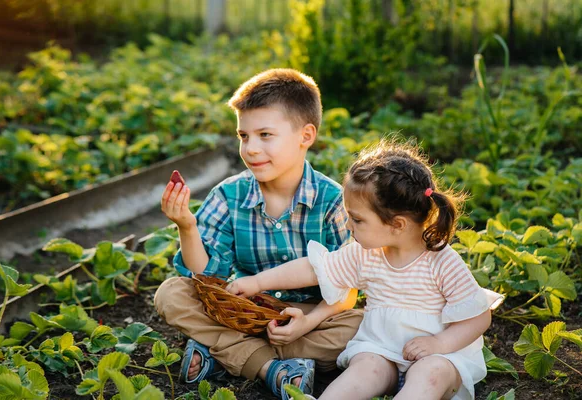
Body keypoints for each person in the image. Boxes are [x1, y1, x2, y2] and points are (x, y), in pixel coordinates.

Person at [226, 138, 504, 400]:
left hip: (439, 355)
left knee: (429, 375)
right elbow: (314, 269)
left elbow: (477, 319)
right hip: (381, 348)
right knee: (364, 369)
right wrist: (258, 282)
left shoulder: (442, 261)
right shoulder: (365, 253)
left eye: (357, 220)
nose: (348, 226)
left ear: (397, 225)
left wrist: (439, 345)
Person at [154, 68, 363, 400]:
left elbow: (347, 288)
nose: (250, 149)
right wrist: (187, 227)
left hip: (307, 315)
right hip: (241, 309)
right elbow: (205, 277)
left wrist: (310, 321)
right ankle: (275, 368)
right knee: (171, 294)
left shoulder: (333, 201)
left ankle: (223, 352)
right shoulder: (228, 195)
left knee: (360, 325)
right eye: (243, 136)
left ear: (305, 136)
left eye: (265, 135)